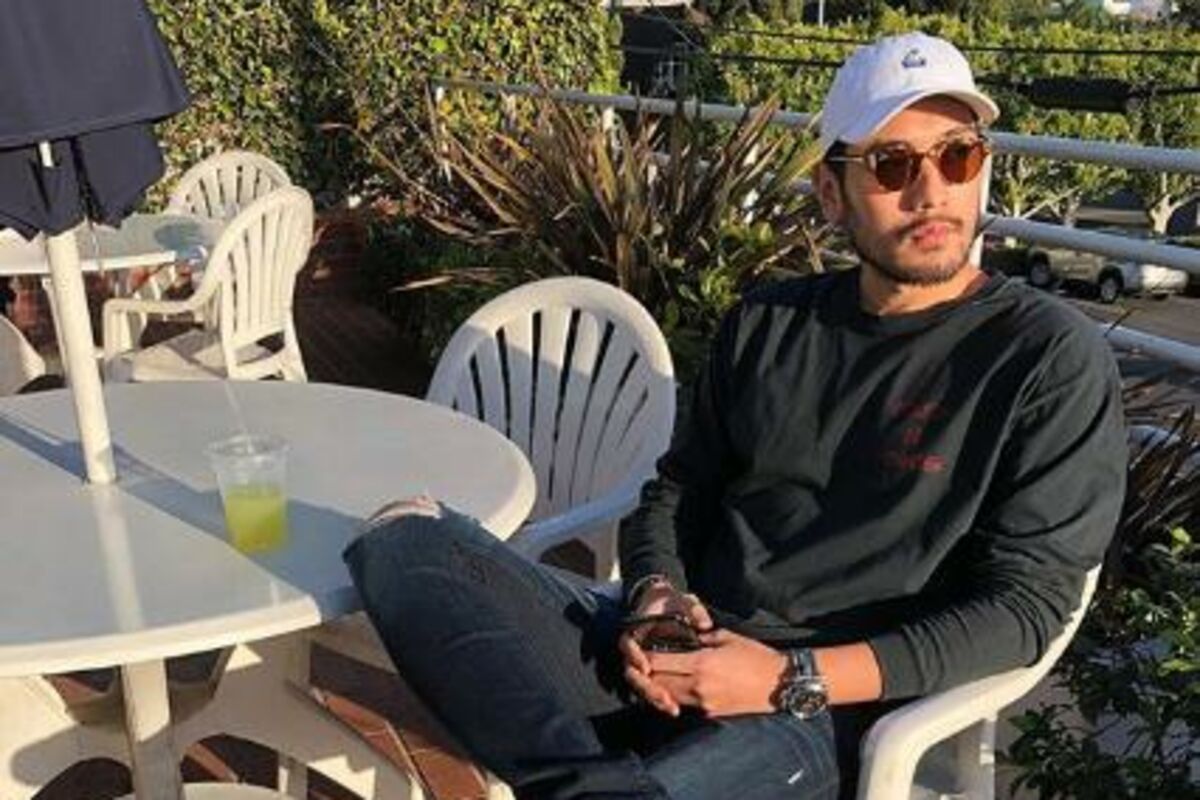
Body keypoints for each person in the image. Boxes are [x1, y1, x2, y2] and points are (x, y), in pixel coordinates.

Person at [344, 32, 1127, 800]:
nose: (932, 191)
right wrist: (655, 597)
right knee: (402, 540)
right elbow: (676, 492)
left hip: (819, 710)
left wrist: (789, 677)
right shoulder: (770, 322)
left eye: (958, 156)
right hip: (677, 651)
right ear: (831, 193)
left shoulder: (1044, 357)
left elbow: (1025, 610)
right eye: (893, 164)